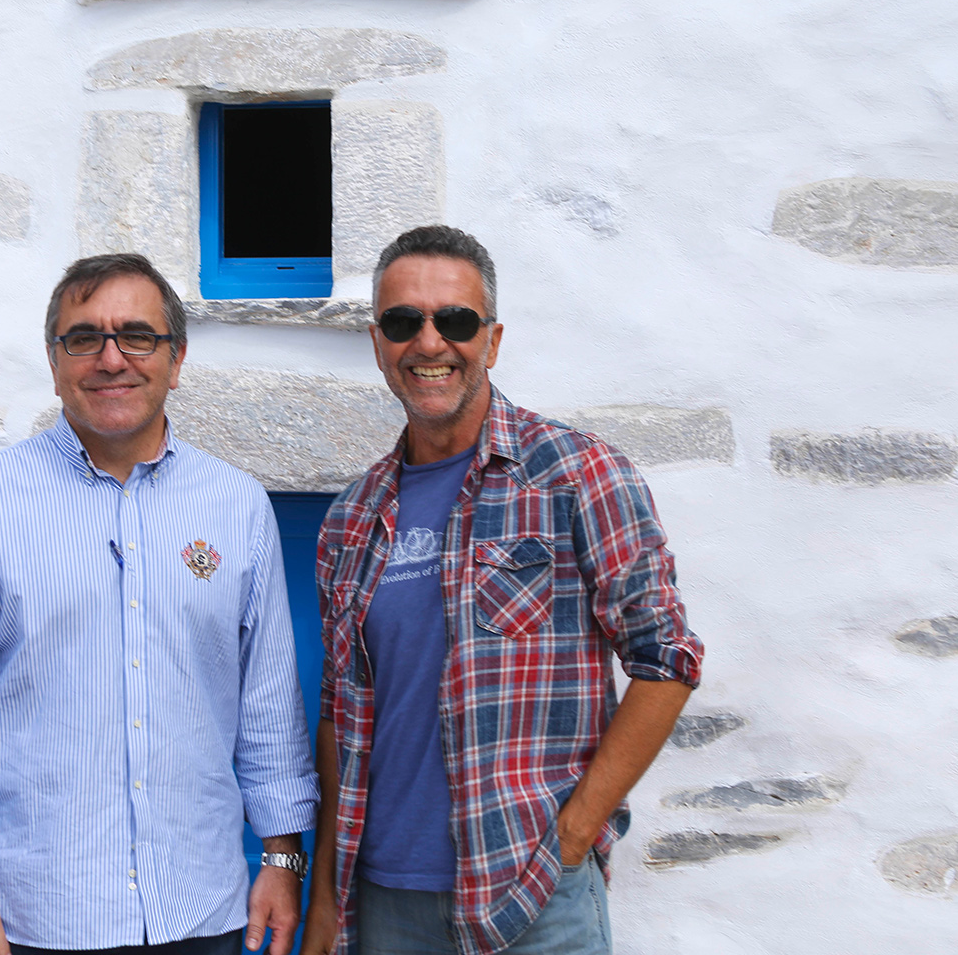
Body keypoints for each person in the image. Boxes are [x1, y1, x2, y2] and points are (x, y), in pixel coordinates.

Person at [0, 254, 318, 955]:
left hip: (201, 909)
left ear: (176, 360)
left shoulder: (237, 505)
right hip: (35, 918)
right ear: (54, 363)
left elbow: (268, 711)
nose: (112, 359)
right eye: (84, 338)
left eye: (137, 335)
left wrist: (283, 861)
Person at [301, 227, 704, 955]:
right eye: (403, 321)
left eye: (455, 320)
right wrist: (327, 895)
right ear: (378, 342)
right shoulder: (351, 518)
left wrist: (575, 833)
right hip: (385, 904)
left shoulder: (577, 475)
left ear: (491, 340)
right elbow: (340, 712)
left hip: (532, 896)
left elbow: (667, 658)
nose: (429, 342)